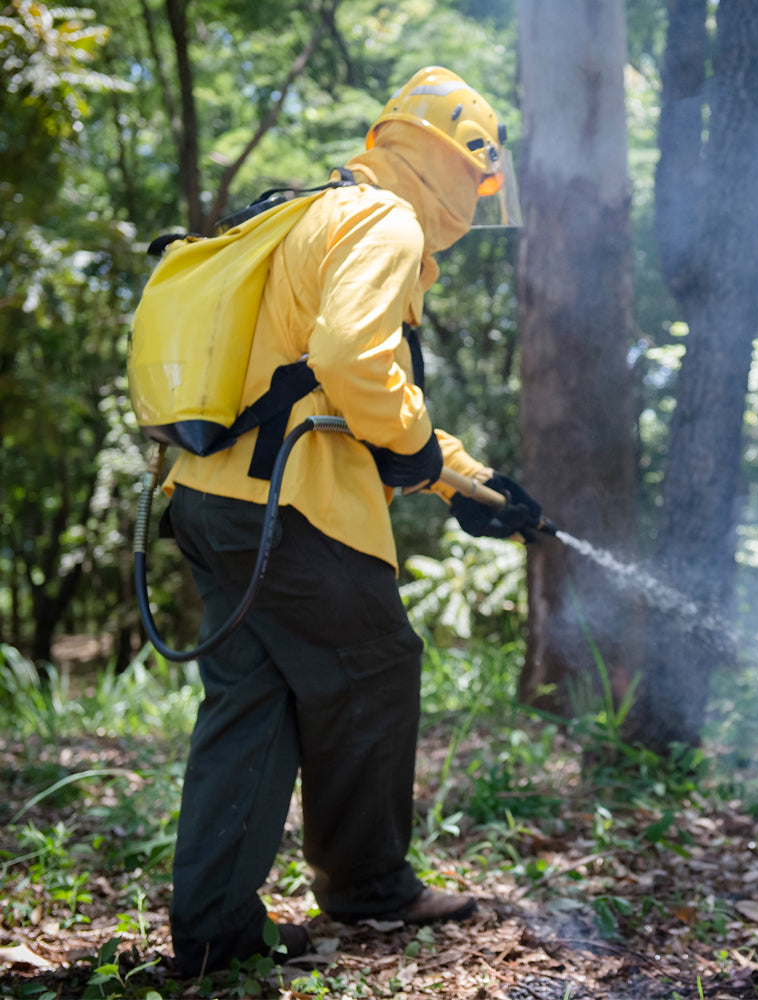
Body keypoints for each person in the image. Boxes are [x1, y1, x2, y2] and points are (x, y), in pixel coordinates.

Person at [161, 66, 543, 977]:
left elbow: (318, 386)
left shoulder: (310, 212)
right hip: (291, 509)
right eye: (479, 176)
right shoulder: (388, 220)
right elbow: (349, 358)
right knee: (374, 663)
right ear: (453, 161)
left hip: (213, 498)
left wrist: (467, 482)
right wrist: (414, 445)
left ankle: (212, 929)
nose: (480, 198)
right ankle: (369, 887)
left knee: (253, 699)